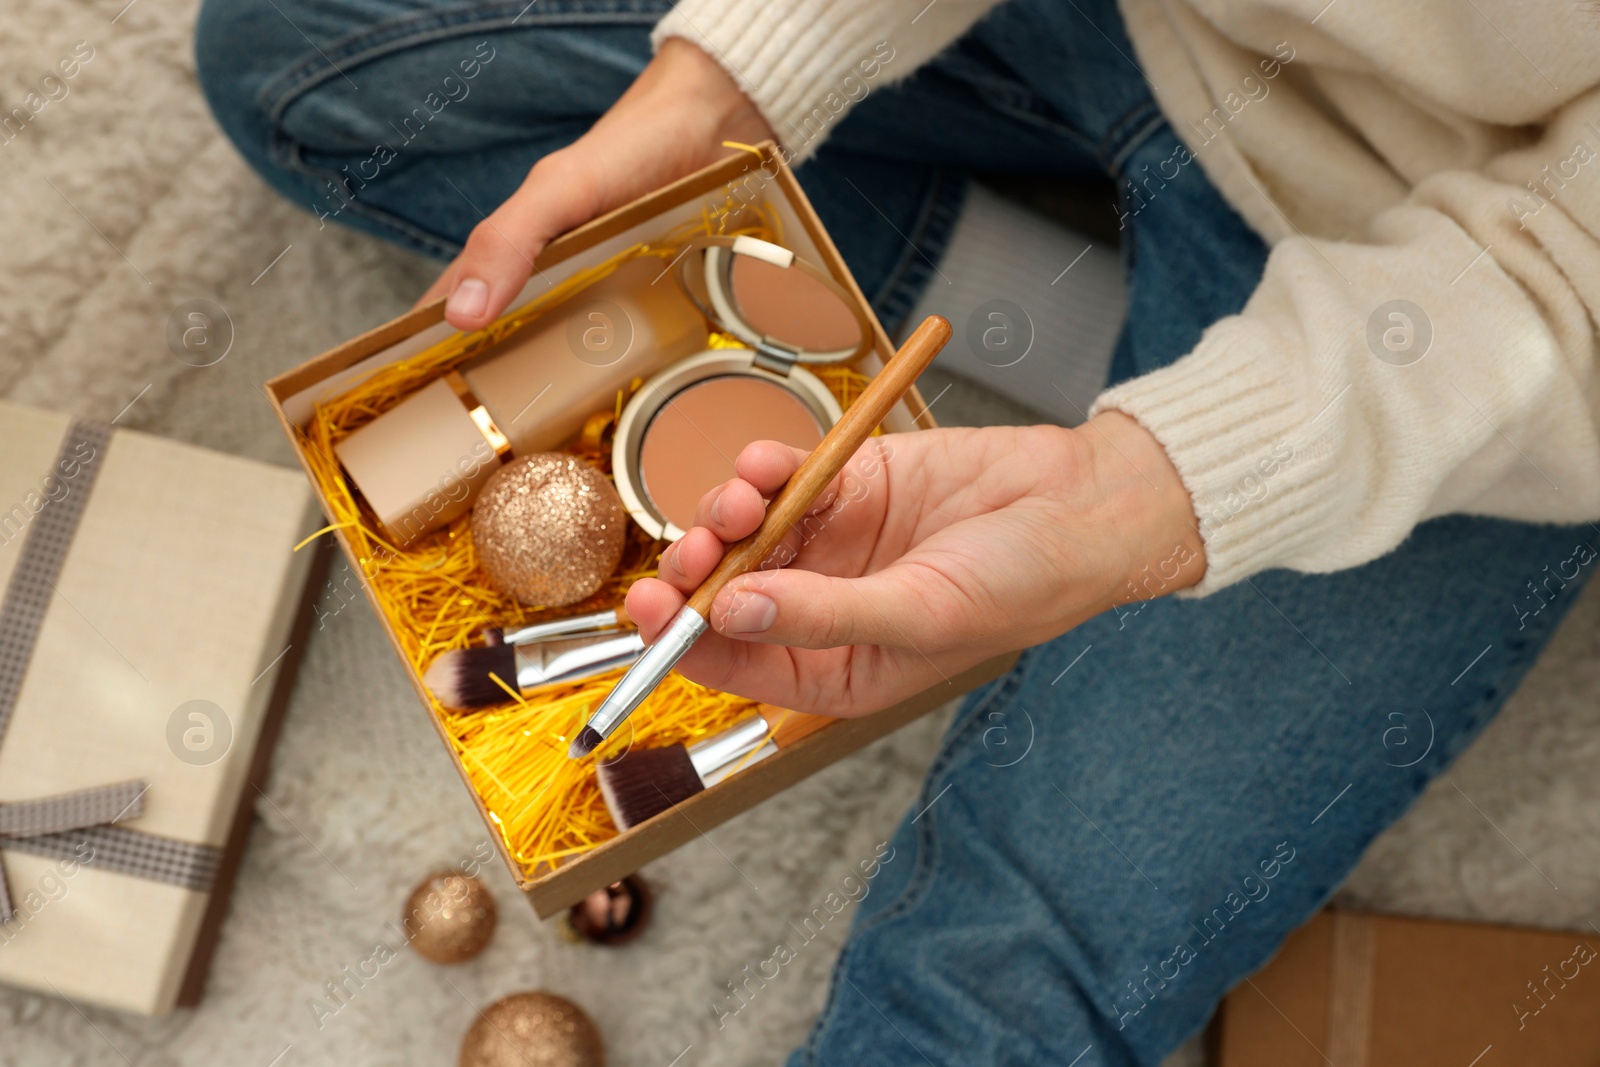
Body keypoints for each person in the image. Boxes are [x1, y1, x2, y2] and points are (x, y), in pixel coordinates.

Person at [196, 1, 1600, 1062]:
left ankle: (1156, 369)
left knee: (987, 985)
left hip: (1491, 323)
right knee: (298, 53)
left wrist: (1159, 483)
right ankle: (1063, 321)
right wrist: (724, 80)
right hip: (1105, 29)